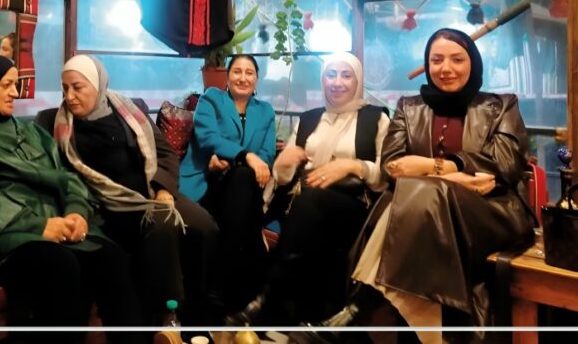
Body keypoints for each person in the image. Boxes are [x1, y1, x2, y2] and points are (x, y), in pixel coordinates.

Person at [301, 28, 535, 344]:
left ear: (473, 63)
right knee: (419, 197)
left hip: (490, 214)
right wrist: (453, 179)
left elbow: (506, 162)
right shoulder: (409, 108)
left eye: (457, 59)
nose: (446, 68)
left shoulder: (501, 105)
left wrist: (440, 168)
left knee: (421, 193)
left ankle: (360, 307)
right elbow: (393, 166)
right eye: (436, 60)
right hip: (423, 214)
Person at [0, 54, 142, 342]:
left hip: (56, 226)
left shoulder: (32, 132)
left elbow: (67, 177)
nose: (15, 92)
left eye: (16, 84)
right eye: (6, 85)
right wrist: (38, 226)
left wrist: (76, 212)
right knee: (59, 264)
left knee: (110, 257)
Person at [35, 55, 219, 325]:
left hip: (152, 191)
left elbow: (164, 152)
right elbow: (64, 178)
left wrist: (163, 190)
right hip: (110, 205)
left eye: (77, 87)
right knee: (163, 223)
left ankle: (199, 310)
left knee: (204, 225)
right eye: (65, 88)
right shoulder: (58, 125)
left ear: (98, 85)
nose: (69, 96)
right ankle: (165, 314)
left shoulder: (127, 110)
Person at [227, 52, 390, 326]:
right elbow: (283, 178)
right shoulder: (310, 119)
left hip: (353, 206)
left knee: (308, 205)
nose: (337, 82)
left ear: (358, 81)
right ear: (322, 80)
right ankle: (303, 314)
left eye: (346, 75)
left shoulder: (376, 119)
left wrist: (353, 166)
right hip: (303, 203)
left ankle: (268, 299)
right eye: (331, 75)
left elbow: (385, 175)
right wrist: (283, 164)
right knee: (296, 208)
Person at [179, 54, 276, 313]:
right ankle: (247, 295)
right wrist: (245, 156)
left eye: (249, 73)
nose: (243, 78)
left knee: (242, 178)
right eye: (237, 71)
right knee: (247, 204)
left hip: (243, 185)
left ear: (256, 80)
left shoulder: (265, 111)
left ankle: (220, 289)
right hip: (207, 182)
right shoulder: (211, 99)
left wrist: (240, 162)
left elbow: (267, 153)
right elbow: (208, 137)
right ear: (228, 77)